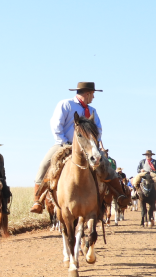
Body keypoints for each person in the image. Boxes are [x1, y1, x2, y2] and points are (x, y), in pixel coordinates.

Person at [30, 82, 125, 214]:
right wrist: (64, 143)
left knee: (106, 166)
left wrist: (93, 144)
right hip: (64, 144)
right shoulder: (65, 104)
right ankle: (37, 201)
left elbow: (98, 129)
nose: (93, 97)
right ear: (88, 93)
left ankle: (121, 196)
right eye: (93, 94)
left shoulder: (92, 111)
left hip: (87, 147)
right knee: (44, 166)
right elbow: (56, 125)